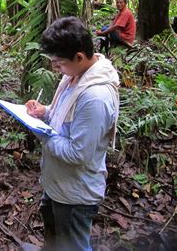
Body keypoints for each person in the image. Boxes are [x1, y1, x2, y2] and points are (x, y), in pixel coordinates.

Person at [25, 17, 119, 251]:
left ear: (79, 56)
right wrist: (44, 112)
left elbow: (79, 153)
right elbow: (65, 118)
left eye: (58, 63)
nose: (55, 69)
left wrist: (42, 134)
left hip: (74, 195)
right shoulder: (75, 76)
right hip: (58, 184)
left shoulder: (94, 97)